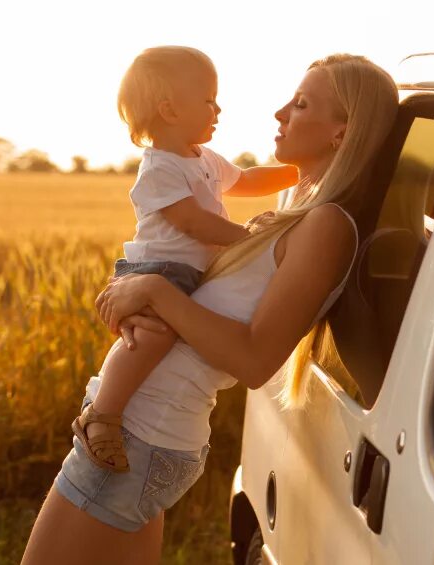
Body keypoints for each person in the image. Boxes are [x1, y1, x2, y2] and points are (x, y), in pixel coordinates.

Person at [21, 53, 399, 564]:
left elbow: (254, 360)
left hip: (137, 439)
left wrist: (155, 291)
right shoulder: (300, 214)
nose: (280, 112)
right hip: (144, 439)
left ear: (341, 132)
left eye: (303, 103)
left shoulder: (326, 226)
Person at [74, 46, 298, 474]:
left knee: (177, 334)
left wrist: (299, 171)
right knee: (150, 337)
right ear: (169, 109)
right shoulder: (159, 168)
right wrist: (252, 240)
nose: (219, 108)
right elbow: (193, 223)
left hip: (190, 275)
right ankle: (102, 413)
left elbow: (248, 180)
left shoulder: (205, 159)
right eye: (209, 100)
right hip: (157, 271)